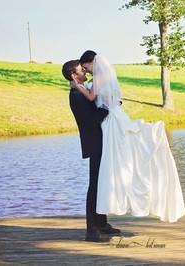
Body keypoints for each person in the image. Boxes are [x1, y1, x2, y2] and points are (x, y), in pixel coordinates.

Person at [73, 50, 185, 223]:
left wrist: (77, 86)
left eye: (86, 67)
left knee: (122, 153)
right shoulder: (103, 76)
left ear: (90, 62)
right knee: (122, 154)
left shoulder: (98, 77)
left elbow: (91, 96)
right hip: (112, 114)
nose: (86, 71)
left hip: (111, 118)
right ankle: (104, 213)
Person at [62, 60, 121, 242]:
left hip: (100, 142)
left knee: (101, 183)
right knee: (94, 186)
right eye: (81, 70)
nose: (85, 72)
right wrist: (109, 106)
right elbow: (92, 120)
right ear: (74, 75)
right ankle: (91, 230)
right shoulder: (76, 96)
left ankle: (102, 224)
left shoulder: (82, 91)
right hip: (94, 144)